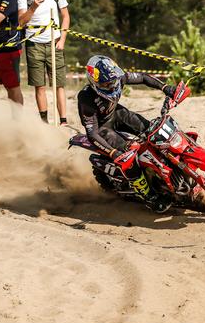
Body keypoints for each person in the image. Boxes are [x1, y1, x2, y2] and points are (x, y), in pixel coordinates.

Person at [79, 55, 189, 213]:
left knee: (152, 129)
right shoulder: (85, 98)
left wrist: (166, 88)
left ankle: (170, 168)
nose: (112, 86)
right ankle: (149, 196)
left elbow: (143, 77)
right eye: (106, 84)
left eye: (113, 82)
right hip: (102, 128)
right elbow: (92, 133)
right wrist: (113, 152)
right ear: (93, 82)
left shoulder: (117, 77)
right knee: (128, 156)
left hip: (117, 113)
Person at [17, 0, 70, 124]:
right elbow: (21, 22)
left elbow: (66, 16)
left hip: (55, 42)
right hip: (34, 45)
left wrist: (62, 40)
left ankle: (63, 121)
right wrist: (33, 6)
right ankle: (44, 123)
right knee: (39, 86)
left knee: (59, 84)